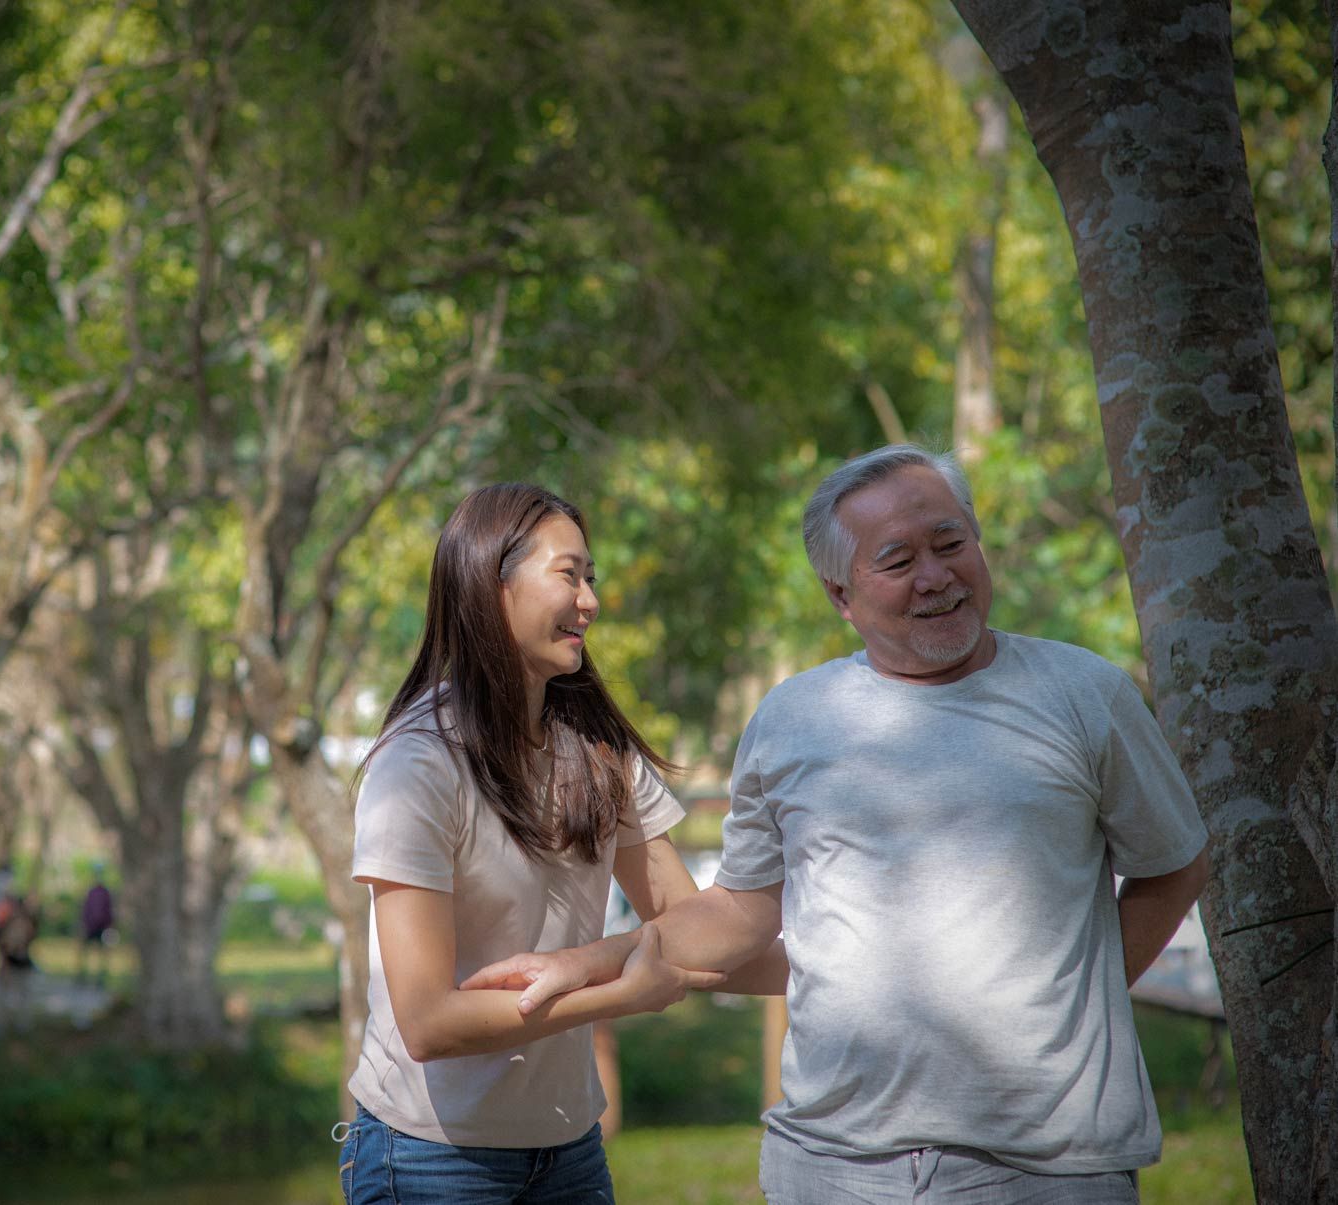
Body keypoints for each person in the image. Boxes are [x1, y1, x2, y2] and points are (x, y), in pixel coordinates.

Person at [471, 444, 1210, 1204]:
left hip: (1051, 1167)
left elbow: (1174, 860)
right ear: (840, 594)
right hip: (831, 1167)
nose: (935, 576)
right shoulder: (793, 718)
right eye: (897, 559)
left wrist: (1083, 991)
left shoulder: (1086, 694)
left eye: (951, 544)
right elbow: (736, 911)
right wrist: (584, 961)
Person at [339, 482, 738, 1205]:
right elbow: (427, 1020)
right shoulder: (418, 765)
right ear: (490, 585)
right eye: (568, 574)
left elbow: (691, 921)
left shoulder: (598, 748)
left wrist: (594, 960)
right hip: (431, 1157)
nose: (589, 600)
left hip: (567, 1149)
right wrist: (621, 992)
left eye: (591, 577)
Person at [0, 892, 39, 1037]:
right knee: (4, 1000)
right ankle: (1, 1027)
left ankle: (20, 1027)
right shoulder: (6, 923)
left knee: (22, 999)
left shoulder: (25, 923)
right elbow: (1, 944)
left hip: (21, 966)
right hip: (9, 965)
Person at [77, 866, 114, 987]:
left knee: (102, 953)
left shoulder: (106, 893)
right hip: (90, 926)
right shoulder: (90, 892)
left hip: (102, 926)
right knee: (84, 951)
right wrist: (83, 924)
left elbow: (109, 910)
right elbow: (85, 909)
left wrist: (110, 926)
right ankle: (81, 975)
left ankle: (101, 977)